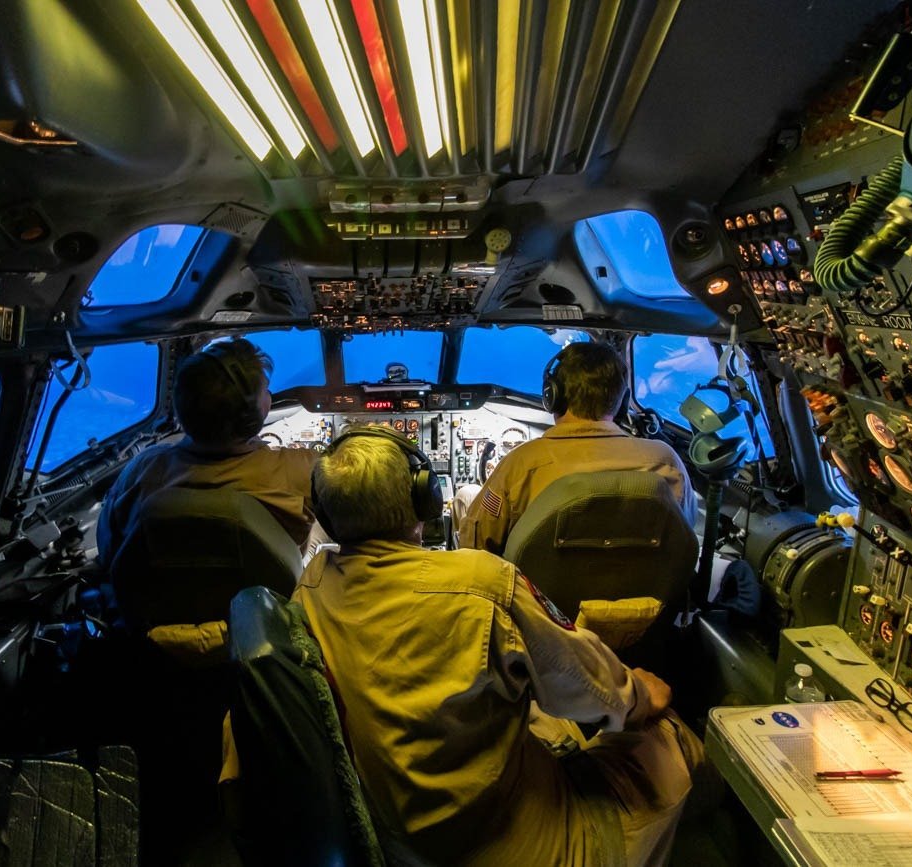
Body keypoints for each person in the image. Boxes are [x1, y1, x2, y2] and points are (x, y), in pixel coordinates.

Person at [296, 428, 703, 866]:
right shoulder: (484, 584)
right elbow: (600, 692)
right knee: (669, 730)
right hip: (513, 845)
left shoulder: (312, 585)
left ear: (327, 513)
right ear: (426, 500)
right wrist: (640, 694)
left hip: (397, 839)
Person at [457, 341, 696, 555]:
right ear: (622, 402)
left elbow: (477, 545)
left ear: (552, 397)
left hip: (538, 603)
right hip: (646, 600)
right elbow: (685, 533)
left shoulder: (523, 463)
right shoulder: (665, 461)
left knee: (466, 495)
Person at [96, 338, 318, 568]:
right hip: (266, 599)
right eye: (265, 389)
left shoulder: (143, 470)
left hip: (158, 600)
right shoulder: (299, 471)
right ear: (254, 414)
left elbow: (109, 552)